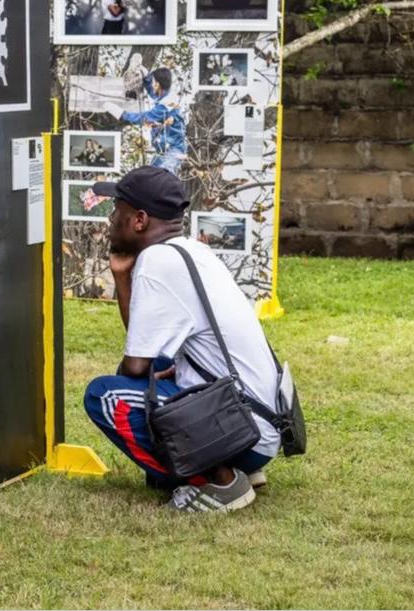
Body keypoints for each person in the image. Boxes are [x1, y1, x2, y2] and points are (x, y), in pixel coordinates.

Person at [82, 167, 280, 512]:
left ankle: (220, 482)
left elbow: (135, 366)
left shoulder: (157, 262)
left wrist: (145, 372)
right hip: (256, 426)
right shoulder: (190, 251)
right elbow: (148, 346)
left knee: (106, 394)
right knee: (150, 379)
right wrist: (122, 276)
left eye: (117, 210)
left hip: (243, 430)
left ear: (139, 220)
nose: (111, 219)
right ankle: (236, 468)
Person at [109, 68, 187, 175]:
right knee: (151, 175)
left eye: (154, 82)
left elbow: (144, 118)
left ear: (158, 84)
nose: (153, 85)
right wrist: (147, 78)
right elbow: (153, 93)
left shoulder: (165, 106)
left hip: (174, 150)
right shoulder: (167, 96)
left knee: (164, 175)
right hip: (163, 150)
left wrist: (122, 114)